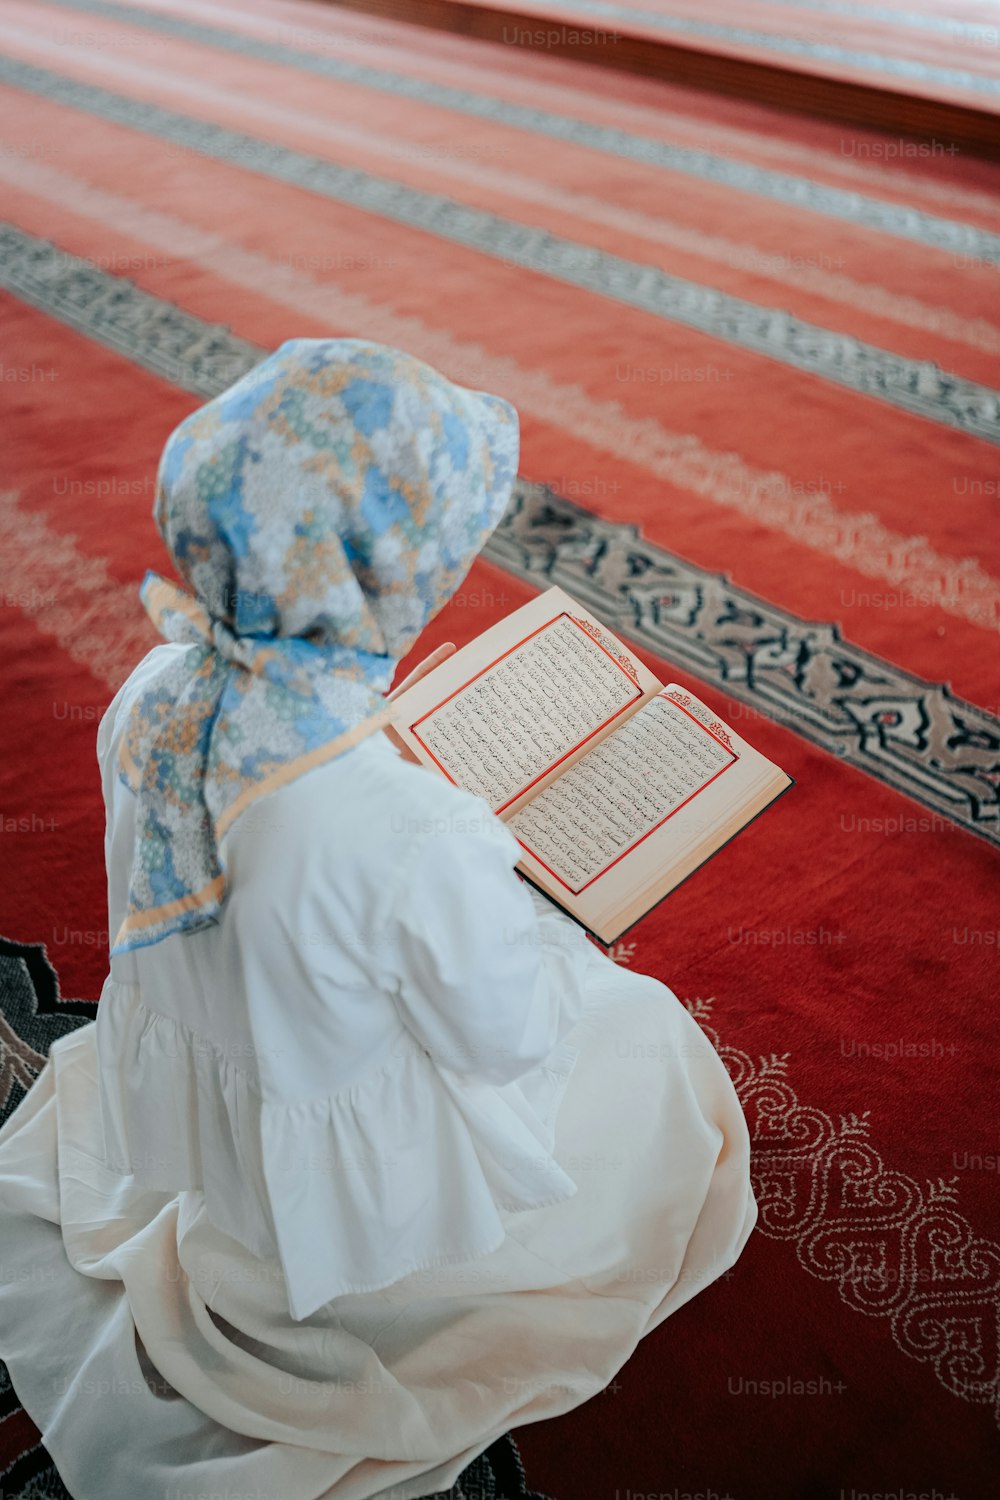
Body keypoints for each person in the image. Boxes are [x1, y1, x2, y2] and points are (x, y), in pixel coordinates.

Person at [0, 338, 757, 1500]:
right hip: (365, 1220)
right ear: (395, 575)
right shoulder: (408, 829)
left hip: (228, 1130)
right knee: (646, 1036)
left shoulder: (152, 695)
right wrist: (519, 917)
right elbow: (501, 1041)